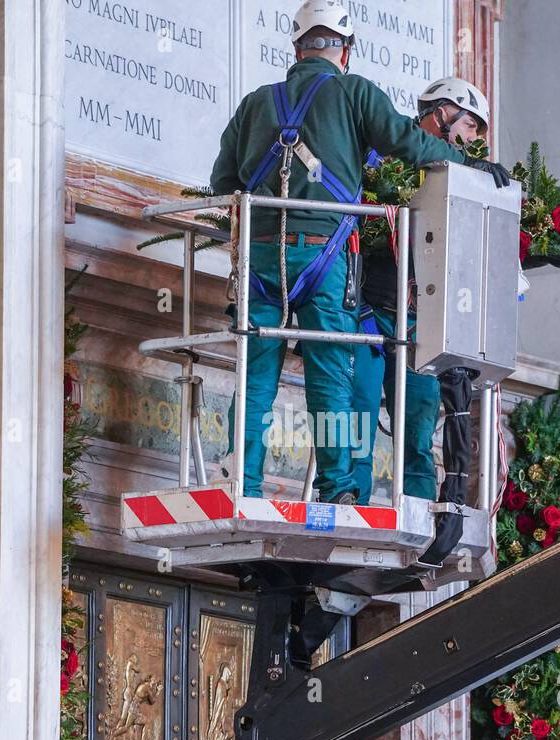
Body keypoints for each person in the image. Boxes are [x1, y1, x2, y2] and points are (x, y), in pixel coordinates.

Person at [210, 1, 510, 505]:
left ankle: (245, 485)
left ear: (297, 46)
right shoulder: (354, 92)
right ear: (345, 50)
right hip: (323, 259)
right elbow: (410, 145)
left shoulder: (255, 104)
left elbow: (223, 184)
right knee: (329, 376)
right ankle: (338, 489)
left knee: (255, 373)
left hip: (260, 261)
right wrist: (470, 166)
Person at [351, 76, 495, 505]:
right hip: (368, 311)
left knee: (417, 434)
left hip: (420, 322)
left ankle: (418, 518)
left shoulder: (462, 178)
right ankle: (349, 504)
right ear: (443, 112)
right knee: (354, 423)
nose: (471, 139)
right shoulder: (382, 155)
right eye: (469, 126)